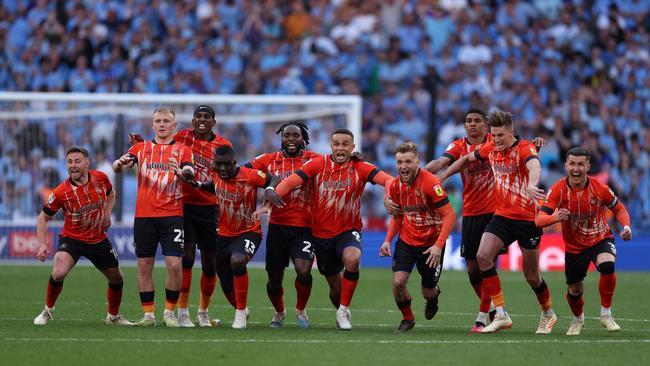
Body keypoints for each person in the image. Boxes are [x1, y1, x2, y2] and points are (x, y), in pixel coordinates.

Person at [419, 108, 545, 332]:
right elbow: (444, 161)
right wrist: (425, 174)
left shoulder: (496, 140)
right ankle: (495, 311)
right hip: (471, 212)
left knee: (488, 260)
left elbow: (525, 152)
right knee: (472, 269)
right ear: (465, 125)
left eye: (478, 120)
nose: (473, 124)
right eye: (469, 121)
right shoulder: (459, 146)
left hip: (497, 211)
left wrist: (534, 146)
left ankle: (483, 316)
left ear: (485, 126)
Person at [260, 129, 393, 330]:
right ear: (331, 146)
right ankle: (340, 307)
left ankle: (342, 311)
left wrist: (387, 196)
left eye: (345, 144)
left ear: (352, 147)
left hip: (349, 230)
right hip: (320, 236)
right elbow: (289, 182)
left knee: (353, 258)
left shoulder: (361, 167)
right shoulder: (317, 164)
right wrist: (269, 201)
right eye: (337, 144)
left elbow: (389, 180)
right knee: (335, 288)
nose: (340, 148)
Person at [131, 105, 234, 327]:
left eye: (207, 117)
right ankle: (183, 311)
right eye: (198, 116)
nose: (202, 120)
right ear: (193, 120)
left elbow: (228, 175)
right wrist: (141, 145)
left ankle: (203, 312)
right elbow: (162, 144)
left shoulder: (223, 145)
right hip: (184, 205)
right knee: (185, 259)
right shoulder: (181, 137)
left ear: (214, 122)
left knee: (209, 264)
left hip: (211, 207)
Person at [535, 147, 632, 335]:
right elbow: (539, 220)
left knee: (607, 266)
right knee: (574, 290)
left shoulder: (600, 188)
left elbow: (619, 209)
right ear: (566, 165)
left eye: (581, 164)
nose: (576, 168)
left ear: (588, 166)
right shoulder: (558, 189)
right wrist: (555, 217)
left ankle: (606, 314)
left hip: (600, 238)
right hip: (574, 247)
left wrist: (626, 227)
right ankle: (578, 319)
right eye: (572, 163)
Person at [113, 108, 195, 327]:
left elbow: (190, 172)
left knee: (175, 265)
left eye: (166, 121)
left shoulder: (183, 150)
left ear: (174, 125)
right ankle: (148, 315)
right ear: (152, 124)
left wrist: (182, 173)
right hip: (145, 216)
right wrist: (118, 164)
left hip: (172, 215)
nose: (161, 124)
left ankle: (169, 312)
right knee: (144, 265)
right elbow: (119, 166)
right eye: (158, 121)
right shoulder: (140, 148)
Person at [34, 147, 131, 326]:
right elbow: (43, 218)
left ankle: (113, 317)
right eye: (70, 162)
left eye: (77, 161)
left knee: (117, 278)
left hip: (98, 238)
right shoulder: (61, 192)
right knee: (58, 272)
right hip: (73, 239)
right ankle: (47, 311)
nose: (73, 165)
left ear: (87, 163)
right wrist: (42, 244)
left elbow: (111, 193)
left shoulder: (101, 178)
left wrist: (107, 213)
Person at [191, 145, 279, 329]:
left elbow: (274, 178)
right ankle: (243, 309)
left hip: (249, 231)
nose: (222, 169)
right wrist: (198, 185)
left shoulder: (249, 174)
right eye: (219, 165)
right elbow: (213, 186)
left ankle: (239, 313)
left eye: (226, 165)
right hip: (223, 234)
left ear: (234, 163)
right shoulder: (216, 174)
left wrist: (270, 190)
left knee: (238, 260)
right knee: (224, 279)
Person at [245, 122, 321, 328]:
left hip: (305, 226)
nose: (290, 139)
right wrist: (267, 185)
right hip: (278, 226)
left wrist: (355, 156)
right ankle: (279, 312)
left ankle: (301, 310)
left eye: (295, 135)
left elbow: (337, 164)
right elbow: (243, 171)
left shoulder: (315, 159)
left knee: (304, 270)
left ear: (303, 138)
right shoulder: (268, 160)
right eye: (286, 135)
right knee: (274, 279)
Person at [379, 142, 456, 332]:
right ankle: (408, 318)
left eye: (408, 162)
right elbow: (398, 216)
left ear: (417, 162)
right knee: (398, 283)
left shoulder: (430, 183)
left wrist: (439, 245)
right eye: (399, 162)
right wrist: (388, 240)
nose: (403, 166)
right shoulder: (396, 186)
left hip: (431, 245)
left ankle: (434, 296)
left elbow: (449, 215)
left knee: (427, 290)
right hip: (407, 240)